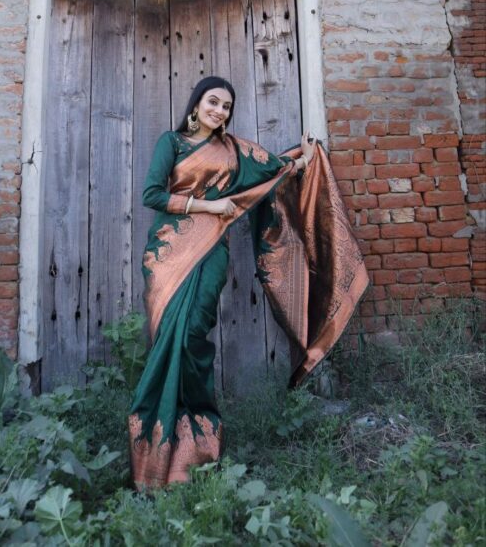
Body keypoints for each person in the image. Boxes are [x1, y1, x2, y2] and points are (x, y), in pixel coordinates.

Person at [128, 76, 368, 490]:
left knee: (193, 338)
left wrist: (303, 159)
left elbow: (273, 171)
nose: (219, 111)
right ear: (196, 103)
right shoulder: (172, 142)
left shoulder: (233, 151)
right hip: (169, 255)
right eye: (213, 102)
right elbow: (151, 195)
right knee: (169, 339)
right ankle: (154, 448)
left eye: (226, 106)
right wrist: (209, 204)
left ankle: (196, 445)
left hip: (212, 253)